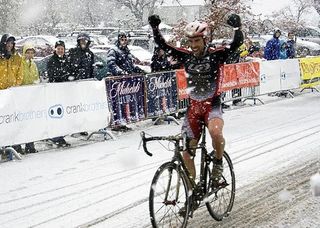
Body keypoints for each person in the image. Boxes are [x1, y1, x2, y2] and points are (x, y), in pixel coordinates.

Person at [148, 14, 243, 185]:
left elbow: (236, 44)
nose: (193, 46)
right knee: (186, 154)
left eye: (196, 41)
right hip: (193, 109)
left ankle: (219, 163)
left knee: (215, 132)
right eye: (190, 42)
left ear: (204, 40)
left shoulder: (216, 55)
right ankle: (193, 192)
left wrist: (237, 29)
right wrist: (155, 28)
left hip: (212, 105)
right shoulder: (185, 56)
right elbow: (163, 45)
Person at [0, 34, 23, 154]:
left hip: (13, 94)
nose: (9, 45)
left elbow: (20, 74)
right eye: (8, 43)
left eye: (12, 43)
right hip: (1, 94)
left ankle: (15, 144)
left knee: (13, 120)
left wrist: (15, 87)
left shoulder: (17, 57)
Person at [47, 40, 71, 147]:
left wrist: (69, 77)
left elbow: (71, 71)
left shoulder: (67, 59)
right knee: (56, 114)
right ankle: (55, 136)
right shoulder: (52, 60)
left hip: (65, 90)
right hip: (55, 90)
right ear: (55, 49)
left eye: (62, 49)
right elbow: (52, 74)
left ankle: (61, 135)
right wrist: (62, 76)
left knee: (64, 113)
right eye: (59, 49)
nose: (60, 50)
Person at [21, 44, 40, 153]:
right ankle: (18, 145)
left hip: (31, 95)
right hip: (21, 94)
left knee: (30, 121)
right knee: (21, 121)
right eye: (28, 52)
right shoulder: (21, 63)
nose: (30, 54)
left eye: (31, 52)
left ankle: (30, 145)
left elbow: (36, 77)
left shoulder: (33, 64)